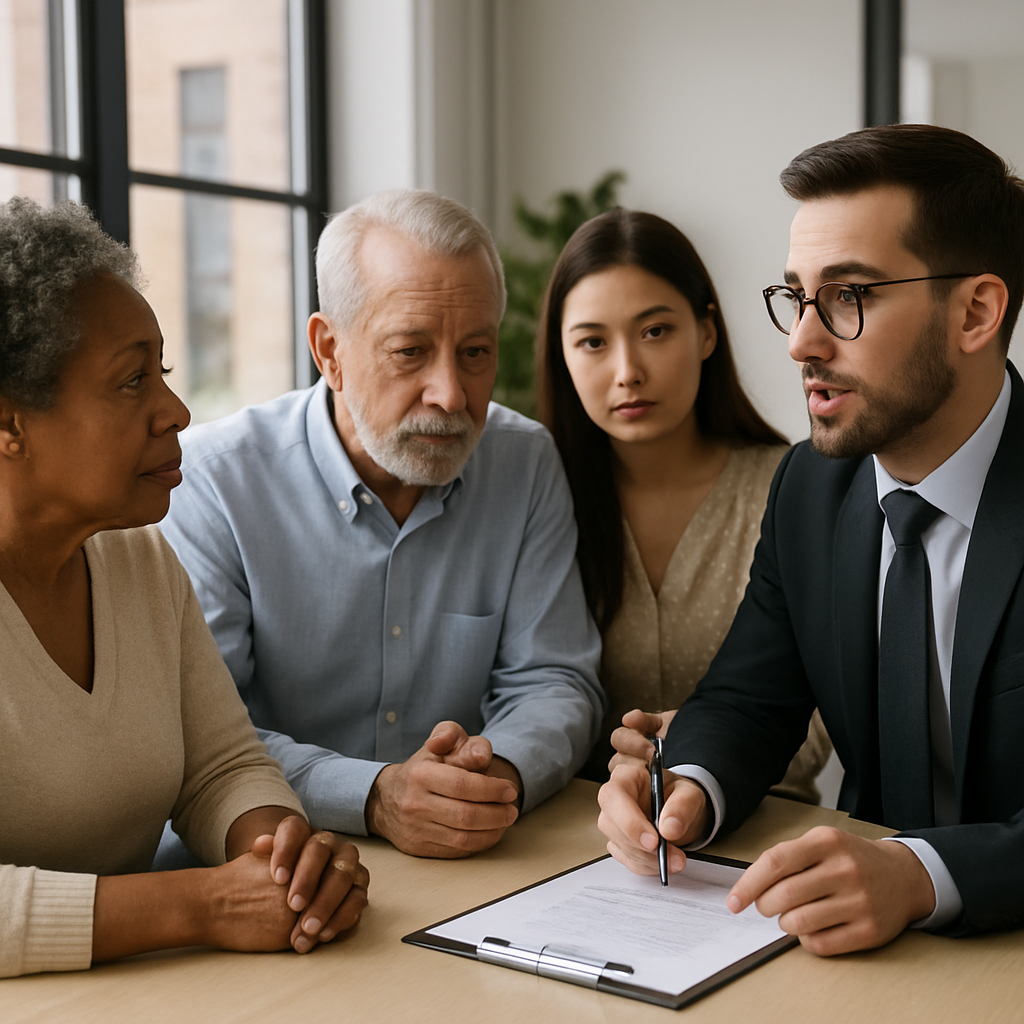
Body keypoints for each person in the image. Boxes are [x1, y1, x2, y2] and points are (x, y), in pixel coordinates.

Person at [597, 123, 1024, 953]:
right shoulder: (811, 487)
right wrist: (687, 787)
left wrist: (922, 874)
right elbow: (750, 698)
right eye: (797, 295)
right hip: (850, 958)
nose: (801, 342)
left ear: (976, 311)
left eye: (849, 296)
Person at [160, 189, 604, 860]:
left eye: (477, 352)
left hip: (479, 857)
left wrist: (493, 776)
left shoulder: (525, 462)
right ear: (329, 350)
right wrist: (373, 795)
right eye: (410, 352)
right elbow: (205, 736)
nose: (451, 394)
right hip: (280, 859)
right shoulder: (216, 481)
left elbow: (554, 679)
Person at [0, 199, 369, 978]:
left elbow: (220, 766)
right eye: (132, 381)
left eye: (161, 373)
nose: (175, 410)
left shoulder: (138, 557)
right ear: (10, 424)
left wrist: (282, 861)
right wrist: (203, 905)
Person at [535, 209, 831, 796]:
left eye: (655, 331)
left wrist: (700, 759)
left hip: (763, 829)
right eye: (592, 341)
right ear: (562, 357)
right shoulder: (540, 501)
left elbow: (826, 710)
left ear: (707, 333)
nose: (628, 372)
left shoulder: (794, 488)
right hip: (581, 838)